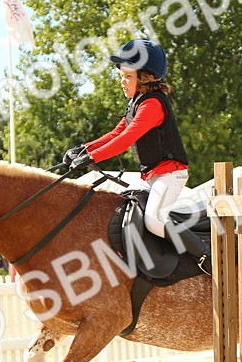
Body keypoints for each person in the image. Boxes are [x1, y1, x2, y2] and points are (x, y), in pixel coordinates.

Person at [65, 39, 208, 270]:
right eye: (121, 76)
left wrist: (92, 158)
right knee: (123, 207)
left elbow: (125, 139)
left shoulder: (153, 105)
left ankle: (205, 255)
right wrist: (84, 148)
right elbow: (116, 133)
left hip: (170, 175)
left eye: (128, 77)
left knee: (154, 221)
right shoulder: (137, 103)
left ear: (146, 78)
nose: (122, 82)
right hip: (151, 177)